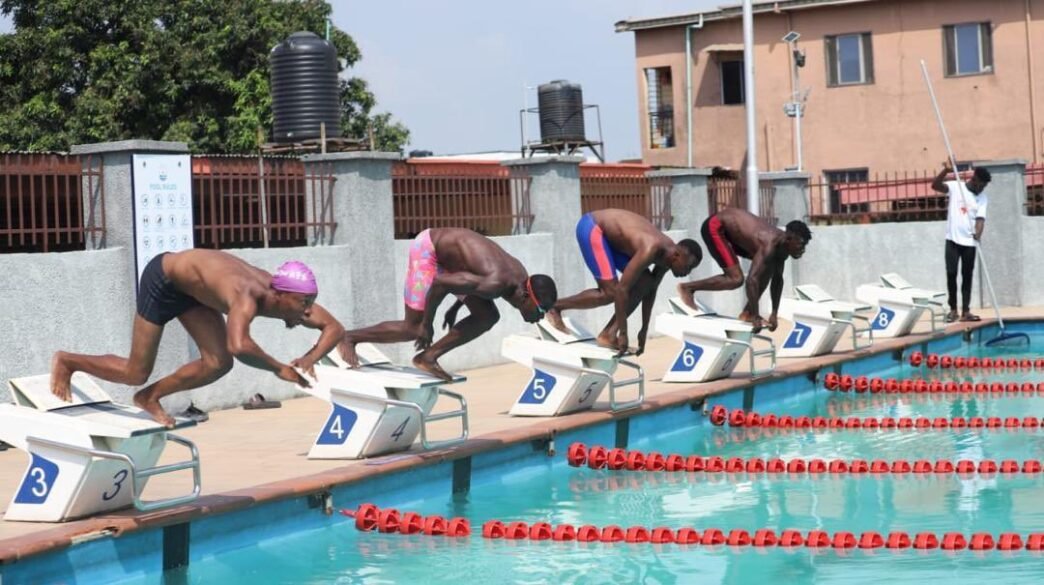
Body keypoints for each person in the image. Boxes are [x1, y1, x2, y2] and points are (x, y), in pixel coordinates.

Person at [50, 250, 345, 427]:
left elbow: (334, 327)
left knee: (218, 363)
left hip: (195, 292)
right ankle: (68, 361)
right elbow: (240, 345)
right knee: (135, 371)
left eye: (310, 303)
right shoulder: (247, 294)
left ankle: (149, 397)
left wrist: (309, 359)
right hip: (164, 282)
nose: (307, 311)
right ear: (280, 296)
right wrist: (280, 368)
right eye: (303, 304)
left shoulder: (289, 295)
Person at [340, 228, 557, 381]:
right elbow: (440, 283)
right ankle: (349, 337)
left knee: (488, 316)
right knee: (413, 329)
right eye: (540, 310)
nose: (540, 317)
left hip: (452, 264)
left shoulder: (519, 277)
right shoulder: (496, 283)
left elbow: (469, 278)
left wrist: (456, 306)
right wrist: (427, 324)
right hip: (429, 250)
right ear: (526, 296)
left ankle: (428, 357)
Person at [545, 209, 702, 355]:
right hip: (593, 228)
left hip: (613, 241)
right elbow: (622, 290)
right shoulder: (651, 248)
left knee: (645, 281)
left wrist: (644, 329)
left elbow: (651, 289)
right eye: (688, 267)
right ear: (677, 256)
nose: (687, 273)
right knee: (610, 293)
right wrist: (624, 334)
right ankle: (555, 306)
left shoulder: (668, 258)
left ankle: (608, 334)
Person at [678, 207, 811, 333]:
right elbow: (751, 280)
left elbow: (777, 280)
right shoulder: (769, 244)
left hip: (733, 235)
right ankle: (688, 288)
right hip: (716, 227)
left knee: (768, 268)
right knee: (736, 279)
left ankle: (748, 313)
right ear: (788, 239)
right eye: (800, 244)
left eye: (805, 245)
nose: (803, 250)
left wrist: (774, 313)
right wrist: (757, 315)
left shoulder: (782, 249)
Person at [931, 162, 991, 322]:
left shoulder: (982, 198)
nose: (983, 189)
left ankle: (966, 311)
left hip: (969, 244)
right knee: (951, 274)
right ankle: (953, 310)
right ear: (976, 180)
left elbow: (980, 219)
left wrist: (978, 234)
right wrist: (946, 170)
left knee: (967, 276)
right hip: (952, 240)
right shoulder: (956, 187)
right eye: (982, 185)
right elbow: (935, 185)